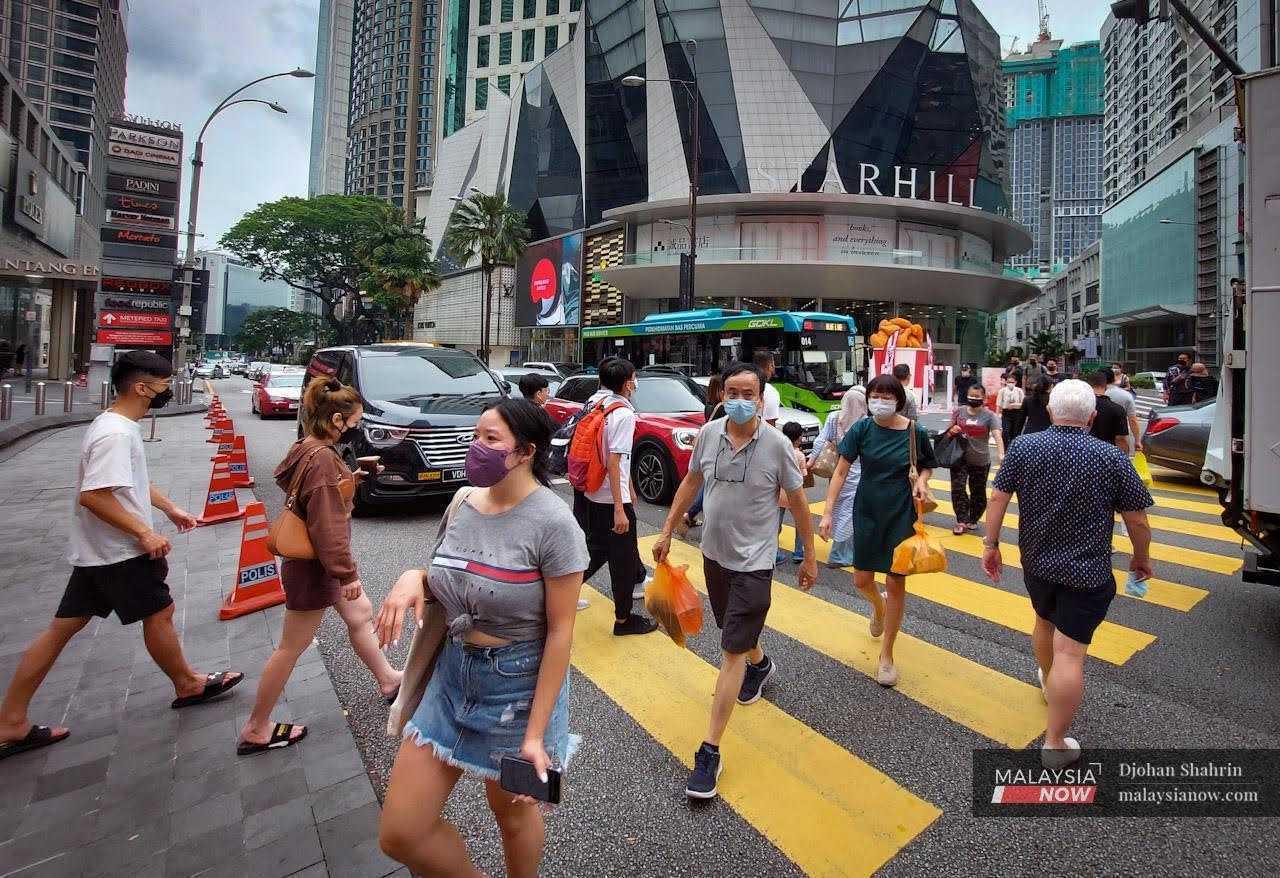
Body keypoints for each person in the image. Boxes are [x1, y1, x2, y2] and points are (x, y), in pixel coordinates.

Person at [376, 399, 589, 878]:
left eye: (491, 440)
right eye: (476, 436)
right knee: (401, 834)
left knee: (513, 814)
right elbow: (445, 577)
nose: (476, 448)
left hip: (517, 689)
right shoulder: (462, 502)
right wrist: (416, 576)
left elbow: (560, 634)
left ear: (525, 452)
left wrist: (537, 736)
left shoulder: (555, 525)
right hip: (452, 679)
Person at [0, 352, 242, 761]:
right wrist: (144, 533)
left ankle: (10, 720)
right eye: (164, 384)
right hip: (118, 553)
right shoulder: (116, 433)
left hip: (99, 552)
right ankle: (187, 683)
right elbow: (94, 495)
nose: (168, 390)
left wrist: (168, 508)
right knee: (160, 612)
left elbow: (123, 483)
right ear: (140, 387)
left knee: (61, 630)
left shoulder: (113, 425)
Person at [652, 363, 816, 800]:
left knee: (728, 652)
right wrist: (668, 528)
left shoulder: (778, 446)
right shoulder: (709, 433)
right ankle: (760, 665)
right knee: (735, 637)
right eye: (732, 391)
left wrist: (809, 556)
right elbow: (691, 481)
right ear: (721, 394)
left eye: (749, 392)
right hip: (714, 556)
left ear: (761, 399)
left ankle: (710, 751)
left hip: (755, 562)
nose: (740, 398)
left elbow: (798, 502)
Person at [982, 379, 1153, 768]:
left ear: (1052, 412)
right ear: (1092, 417)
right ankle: (1055, 742)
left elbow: (997, 498)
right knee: (1071, 653)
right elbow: (1137, 521)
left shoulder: (1025, 447)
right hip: (1088, 571)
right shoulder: (1110, 457)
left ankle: (1048, 680)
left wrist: (991, 545)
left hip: (1037, 563)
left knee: (1043, 621)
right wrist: (1141, 558)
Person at [237, 378, 403, 754]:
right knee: (290, 648)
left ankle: (388, 679)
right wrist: (347, 575)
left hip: (315, 564)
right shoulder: (325, 458)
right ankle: (256, 726)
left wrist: (348, 480)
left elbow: (288, 480)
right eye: (356, 420)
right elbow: (326, 526)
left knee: (360, 614)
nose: (359, 426)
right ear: (338, 419)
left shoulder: (306, 447)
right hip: (315, 567)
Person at [819, 375, 936, 688]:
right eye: (876, 395)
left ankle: (887, 655)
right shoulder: (862, 429)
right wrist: (828, 512)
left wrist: (923, 481)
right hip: (867, 508)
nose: (881, 401)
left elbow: (927, 464)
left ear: (899, 399)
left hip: (901, 512)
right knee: (862, 579)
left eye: (887, 395)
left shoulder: (915, 431)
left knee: (896, 582)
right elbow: (841, 470)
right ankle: (878, 607)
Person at [572, 358, 657, 636]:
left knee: (597, 551)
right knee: (622, 562)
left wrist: (629, 488)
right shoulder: (623, 414)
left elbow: (616, 460)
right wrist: (621, 508)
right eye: (633, 377)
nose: (635, 382)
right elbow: (614, 460)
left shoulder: (600, 405)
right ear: (626, 382)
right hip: (611, 501)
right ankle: (623, 620)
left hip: (595, 494)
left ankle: (558, 592)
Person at [809, 385, 866, 568]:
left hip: (836, 474)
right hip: (857, 475)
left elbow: (820, 440)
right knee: (849, 514)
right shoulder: (864, 422)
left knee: (840, 510)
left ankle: (848, 550)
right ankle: (839, 555)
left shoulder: (835, 418)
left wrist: (811, 460)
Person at [944, 386, 1003, 535]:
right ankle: (961, 520)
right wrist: (952, 430)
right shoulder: (959, 411)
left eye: (977, 396)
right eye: (971, 395)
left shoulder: (989, 416)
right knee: (958, 489)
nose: (973, 399)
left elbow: (997, 435)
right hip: (959, 458)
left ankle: (973, 518)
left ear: (983, 398)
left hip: (980, 460)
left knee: (978, 492)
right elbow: (948, 431)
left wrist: (1002, 454)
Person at [679, 374, 726, 534]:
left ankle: (689, 515)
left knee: (705, 485)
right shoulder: (721, 407)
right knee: (707, 486)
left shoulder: (709, 406)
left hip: (708, 449)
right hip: (717, 450)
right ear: (721, 390)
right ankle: (689, 514)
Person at [776, 421, 810, 564]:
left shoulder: (778, 451)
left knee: (775, 524)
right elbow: (802, 476)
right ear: (800, 437)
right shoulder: (800, 456)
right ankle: (798, 552)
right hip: (794, 495)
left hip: (778, 494)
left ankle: (773, 551)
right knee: (800, 523)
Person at [1086, 371, 1129, 454]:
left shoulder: (1080, 406)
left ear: (1088, 385)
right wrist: (1124, 459)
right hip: (1108, 455)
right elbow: (1120, 439)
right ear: (1106, 386)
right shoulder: (1117, 409)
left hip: (1082, 454)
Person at [1103, 367, 1142, 454]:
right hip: (1120, 441)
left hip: (1096, 440)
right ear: (1114, 379)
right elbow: (1133, 420)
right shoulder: (1126, 396)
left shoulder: (1092, 395)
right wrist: (1137, 440)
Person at [752, 350, 782, 426]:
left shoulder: (743, 385)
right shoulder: (770, 391)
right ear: (770, 366)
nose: (774, 367)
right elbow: (770, 424)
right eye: (773, 364)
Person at [997, 373, 1025, 441]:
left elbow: (1023, 404)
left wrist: (1014, 405)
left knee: (1015, 433)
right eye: (1009, 382)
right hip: (1006, 413)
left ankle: (1014, 448)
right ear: (1006, 382)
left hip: (1017, 413)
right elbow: (998, 405)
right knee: (1005, 432)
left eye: (1012, 382)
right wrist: (997, 416)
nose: (1010, 383)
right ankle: (1005, 448)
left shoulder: (1019, 391)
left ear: (1015, 382)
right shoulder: (1002, 391)